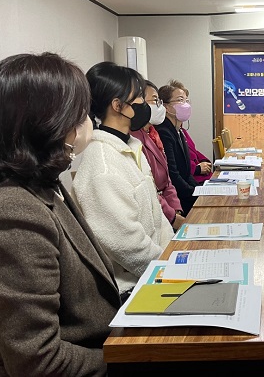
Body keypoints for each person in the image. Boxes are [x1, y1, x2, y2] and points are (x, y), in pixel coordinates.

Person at [0, 53, 120, 376]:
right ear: (49, 123)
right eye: (79, 113)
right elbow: (38, 362)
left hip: (88, 344)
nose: (88, 122)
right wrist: (128, 359)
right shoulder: (9, 214)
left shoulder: (40, 183)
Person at [72, 62, 174, 299]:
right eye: (139, 97)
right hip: (130, 287)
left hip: (156, 269)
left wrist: (174, 254)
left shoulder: (130, 146)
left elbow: (157, 216)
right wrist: (167, 267)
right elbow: (125, 242)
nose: (144, 104)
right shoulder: (103, 165)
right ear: (117, 105)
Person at [131, 80, 186, 231]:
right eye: (155, 100)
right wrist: (173, 217)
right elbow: (150, 189)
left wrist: (176, 209)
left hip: (169, 208)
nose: (159, 106)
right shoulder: (134, 139)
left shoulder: (152, 134)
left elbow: (167, 181)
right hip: (156, 215)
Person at [156, 80, 200, 213]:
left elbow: (187, 173)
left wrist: (199, 190)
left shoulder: (178, 130)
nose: (185, 104)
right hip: (178, 199)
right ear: (166, 107)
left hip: (187, 192)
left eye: (186, 100)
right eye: (180, 100)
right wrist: (195, 194)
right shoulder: (164, 132)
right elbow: (173, 175)